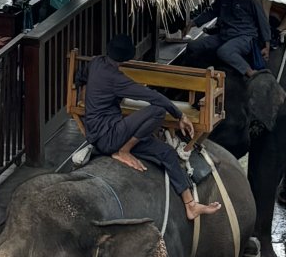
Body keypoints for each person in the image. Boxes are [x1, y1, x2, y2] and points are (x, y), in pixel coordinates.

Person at [84, 33, 221, 221]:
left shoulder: (96, 63)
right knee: (157, 111)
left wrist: (79, 86)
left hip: (107, 133)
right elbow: (151, 96)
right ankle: (124, 150)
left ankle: (191, 205)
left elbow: (81, 74)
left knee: (167, 153)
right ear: (126, 58)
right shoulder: (115, 78)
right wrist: (179, 114)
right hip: (109, 138)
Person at [214, 0, 271, 78]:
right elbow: (211, 11)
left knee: (224, 51)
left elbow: (263, 21)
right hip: (225, 34)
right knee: (195, 46)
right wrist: (193, 23)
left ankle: (250, 72)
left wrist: (267, 45)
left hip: (245, 36)